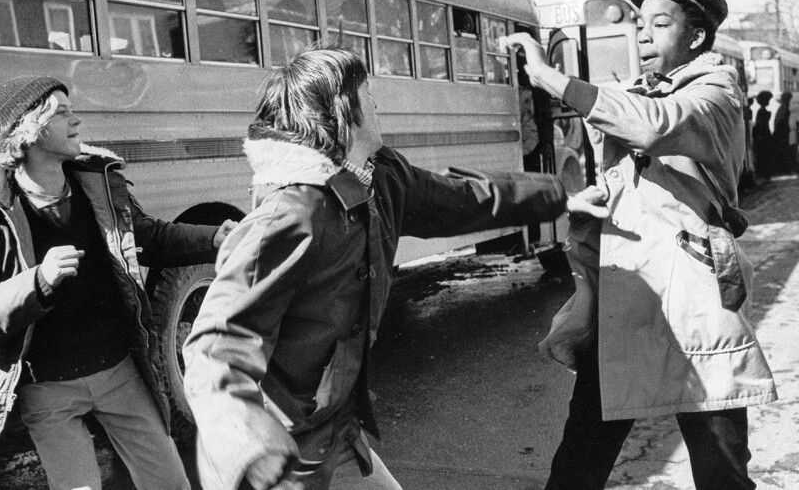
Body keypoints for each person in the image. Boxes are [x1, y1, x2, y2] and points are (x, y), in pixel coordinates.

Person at [181, 44, 609, 490]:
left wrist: (559, 197)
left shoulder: (379, 177)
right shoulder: (291, 214)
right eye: (368, 92)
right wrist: (247, 442)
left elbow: (461, 199)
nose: (377, 102)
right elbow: (216, 341)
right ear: (343, 111)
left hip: (335, 434)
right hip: (275, 455)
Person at [500, 0, 777, 490]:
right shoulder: (639, 92)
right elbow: (624, 111)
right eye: (639, 24)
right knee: (580, 459)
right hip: (629, 298)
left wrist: (550, 77)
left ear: (696, 37)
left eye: (661, 23)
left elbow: (655, 123)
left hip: (695, 304)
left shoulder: (716, 93)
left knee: (720, 467)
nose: (643, 35)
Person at [0, 76, 236, 490]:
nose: (76, 120)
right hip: (46, 388)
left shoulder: (96, 184)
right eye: (62, 113)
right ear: (29, 130)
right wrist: (37, 282)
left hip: (118, 372)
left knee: (171, 482)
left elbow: (145, 237)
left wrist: (212, 238)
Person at [752, 90, 773, 180]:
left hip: (763, 137)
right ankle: (764, 174)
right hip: (763, 138)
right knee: (764, 156)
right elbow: (761, 126)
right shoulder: (762, 112)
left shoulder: (762, 111)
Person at [773, 91, 793, 174]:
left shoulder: (782, 108)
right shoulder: (784, 109)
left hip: (781, 133)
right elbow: (782, 122)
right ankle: (784, 169)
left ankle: (782, 169)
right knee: (783, 151)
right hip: (782, 134)